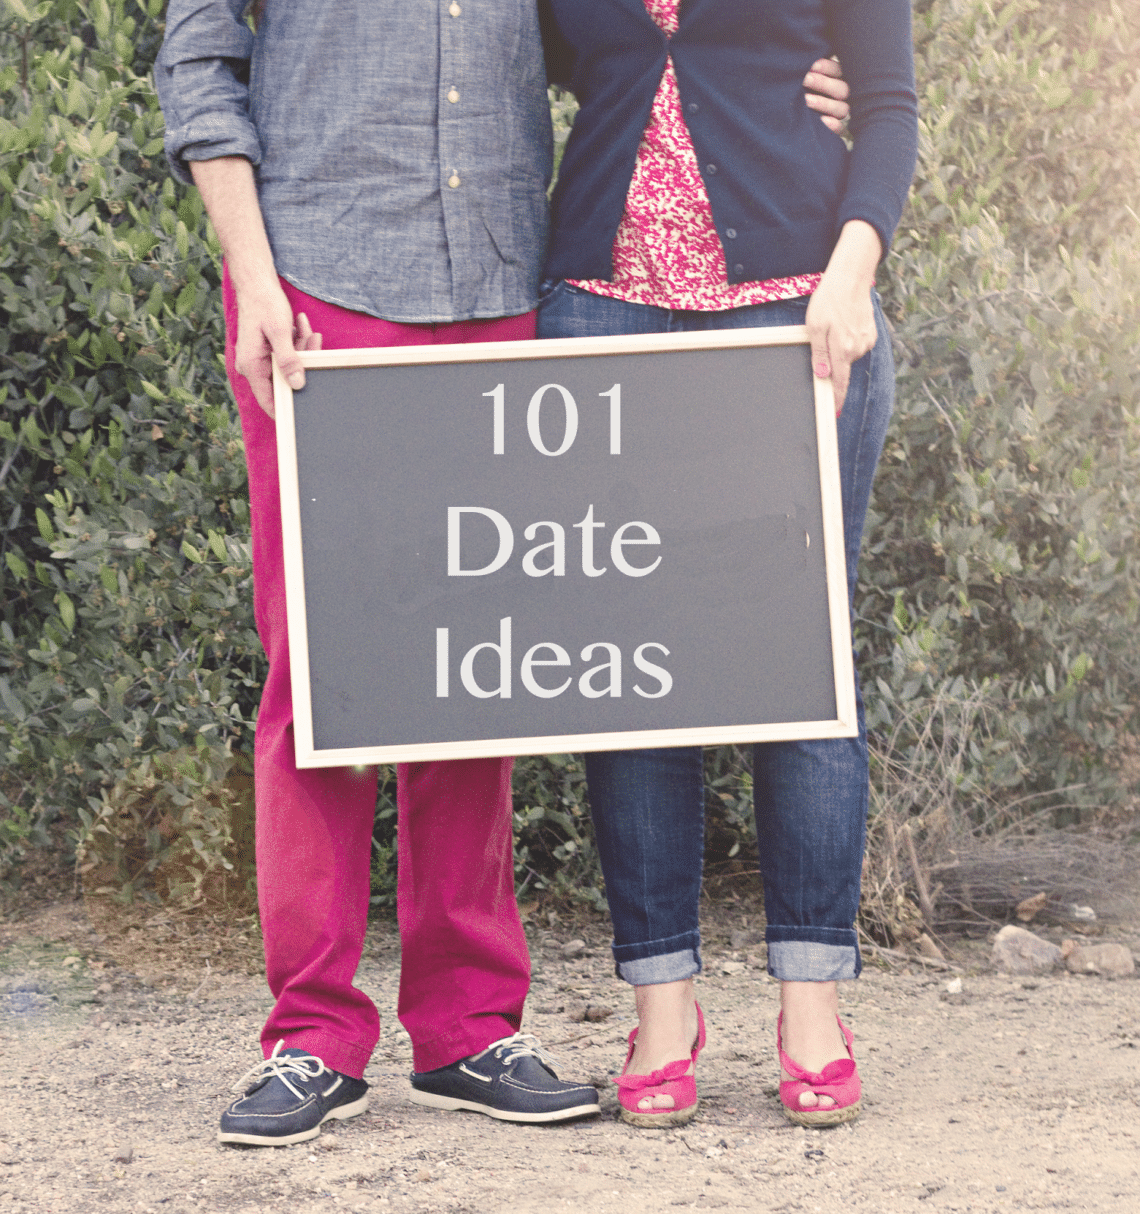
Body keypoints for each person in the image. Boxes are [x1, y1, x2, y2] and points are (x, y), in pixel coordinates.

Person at [155, 0, 853, 1145]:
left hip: (497, 290)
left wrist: (788, 73)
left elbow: (623, 40)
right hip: (319, 291)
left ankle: (467, 1023)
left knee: (479, 669)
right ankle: (311, 1034)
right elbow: (199, 53)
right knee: (327, 667)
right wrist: (253, 273)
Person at [536, 0, 918, 1128]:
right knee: (635, 672)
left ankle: (812, 1008)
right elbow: (547, 79)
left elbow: (889, 104)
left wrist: (848, 279)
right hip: (602, 319)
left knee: (802, 667)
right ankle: (663, 1009)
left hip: (795, 319)